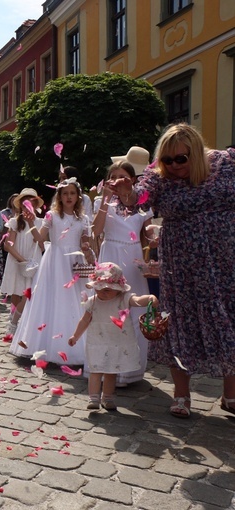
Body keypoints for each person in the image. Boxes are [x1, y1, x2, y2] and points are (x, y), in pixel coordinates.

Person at [113, 123, 235, 418]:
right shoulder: (159, 178)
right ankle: (182, 395)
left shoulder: (227, 163)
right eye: (167, 160)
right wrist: (128, 193)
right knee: (179, 323)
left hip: (226, 262)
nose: (174, 165)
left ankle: (230, 395)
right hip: (182, 267)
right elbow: (138, 199)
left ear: (197, 153)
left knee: (230, 319)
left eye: (181, 159)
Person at [8, 178, 92, 365]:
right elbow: (40, 239)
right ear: (59, 197)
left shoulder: (83, 219)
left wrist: (86, 245)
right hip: (55, 260)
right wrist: (31, 224)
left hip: (74, 262)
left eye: (72, 193)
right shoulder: (52, 216)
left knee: (74, 300)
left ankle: (73, 342)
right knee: (52, 299)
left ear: (78, 196)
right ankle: (46, 344)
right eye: (65, 193)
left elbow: (84, 239)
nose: (69, 197)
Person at [92, 156, 153, 385]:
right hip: (110, 258)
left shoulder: (142, 202)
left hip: (133, 258)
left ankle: (130, 369)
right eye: (113, 177)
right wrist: (105, 201)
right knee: (108, 311)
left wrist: (154, 239)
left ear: (132, 180)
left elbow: (148, 234)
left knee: (134, 312)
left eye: (122, 177)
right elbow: (96, 231)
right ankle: (105, 368)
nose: (117, 181)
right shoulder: (103, 201)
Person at [68, 263, 159, 411]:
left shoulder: (123, 299)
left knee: (111, 372)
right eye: (100, 288)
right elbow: (85, 320)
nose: (104, 292)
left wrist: (149, 298)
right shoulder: (93, 302)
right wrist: (75, 336)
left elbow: (136, 300)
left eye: (109, 289)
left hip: (116, 342)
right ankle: (93, 398)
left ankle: (108, 397)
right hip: (97, 342)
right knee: (96, 370)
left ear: (118, 289)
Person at [0, 189, 45, 336]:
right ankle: (17, 318)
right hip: (17, 260)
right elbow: (8, 244)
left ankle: (15, 320)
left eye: (31, 205)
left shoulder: (40, 222)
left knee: (29, 293)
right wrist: (21, 259)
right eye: (25, 205)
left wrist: (32, 224)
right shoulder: (14, 222)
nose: (27, 209)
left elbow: (41, 243)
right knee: (16, 292)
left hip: (33, 260)